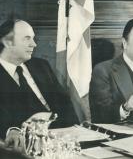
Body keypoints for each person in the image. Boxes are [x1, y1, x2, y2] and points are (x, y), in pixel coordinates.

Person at [0, 18, 78, 148]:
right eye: (27, 38)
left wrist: (76, 130)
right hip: (26, 144)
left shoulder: (41, 66)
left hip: (62, 138)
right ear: (8, 42)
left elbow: (64, 102)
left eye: (33, 38)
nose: (34, 44)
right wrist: (10, 130)